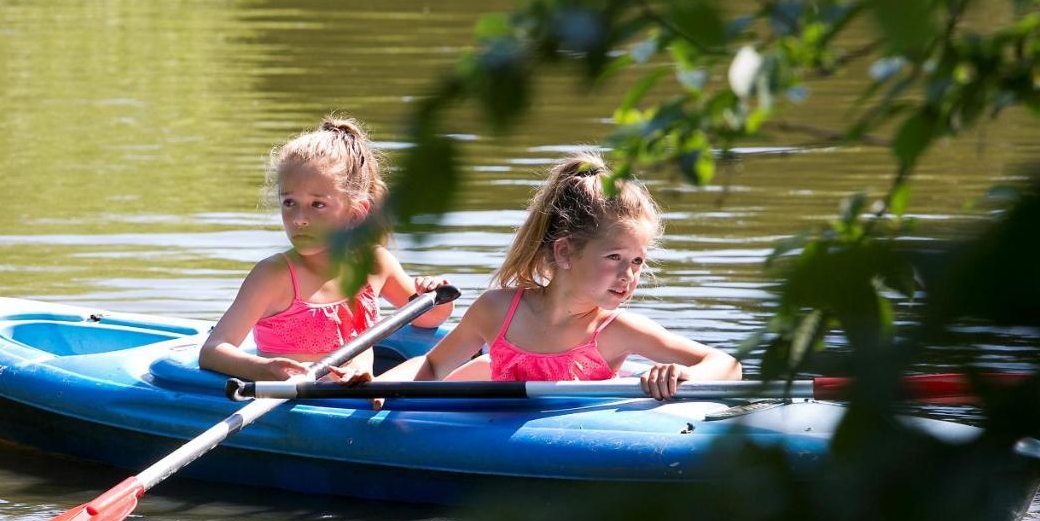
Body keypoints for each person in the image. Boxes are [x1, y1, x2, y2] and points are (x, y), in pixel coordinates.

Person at [400, 152, 740, 399]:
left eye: (637, 261)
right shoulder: (497, 310)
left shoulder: (618, 330)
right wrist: (389, 403)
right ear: (564, 252)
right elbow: (432, 366)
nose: (628, 274)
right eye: (614, 257)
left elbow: (728, 365)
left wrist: (685, 374)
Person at [199, 116, 453, 382]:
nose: (299, 219)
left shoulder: (375, 264)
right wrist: (264, 370)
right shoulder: (273, 275)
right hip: (294, 403)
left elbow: (427, 319)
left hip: (359, 396)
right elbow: (214, 350)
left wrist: (434, 294)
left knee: (427, 364)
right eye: (289, 203)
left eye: (317, 204)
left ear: (356, 213)